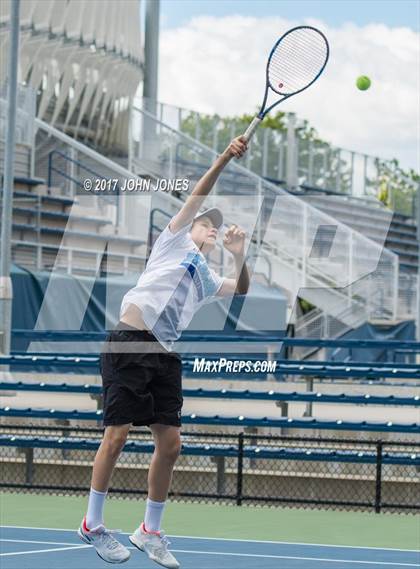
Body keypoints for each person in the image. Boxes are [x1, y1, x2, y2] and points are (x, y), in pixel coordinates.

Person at [77, 136, 250, 567]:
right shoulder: (173, 241)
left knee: (170, 444)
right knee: (116, 437)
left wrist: (239, 254)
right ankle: (92, 524)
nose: (210, 225)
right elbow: (200, 194)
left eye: (214, 225)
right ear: (188, 227)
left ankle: (149, 530)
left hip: (165, 354)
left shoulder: (208, 277)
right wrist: (225, 156)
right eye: (204, 222)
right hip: (130, 342)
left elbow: (241, 288)